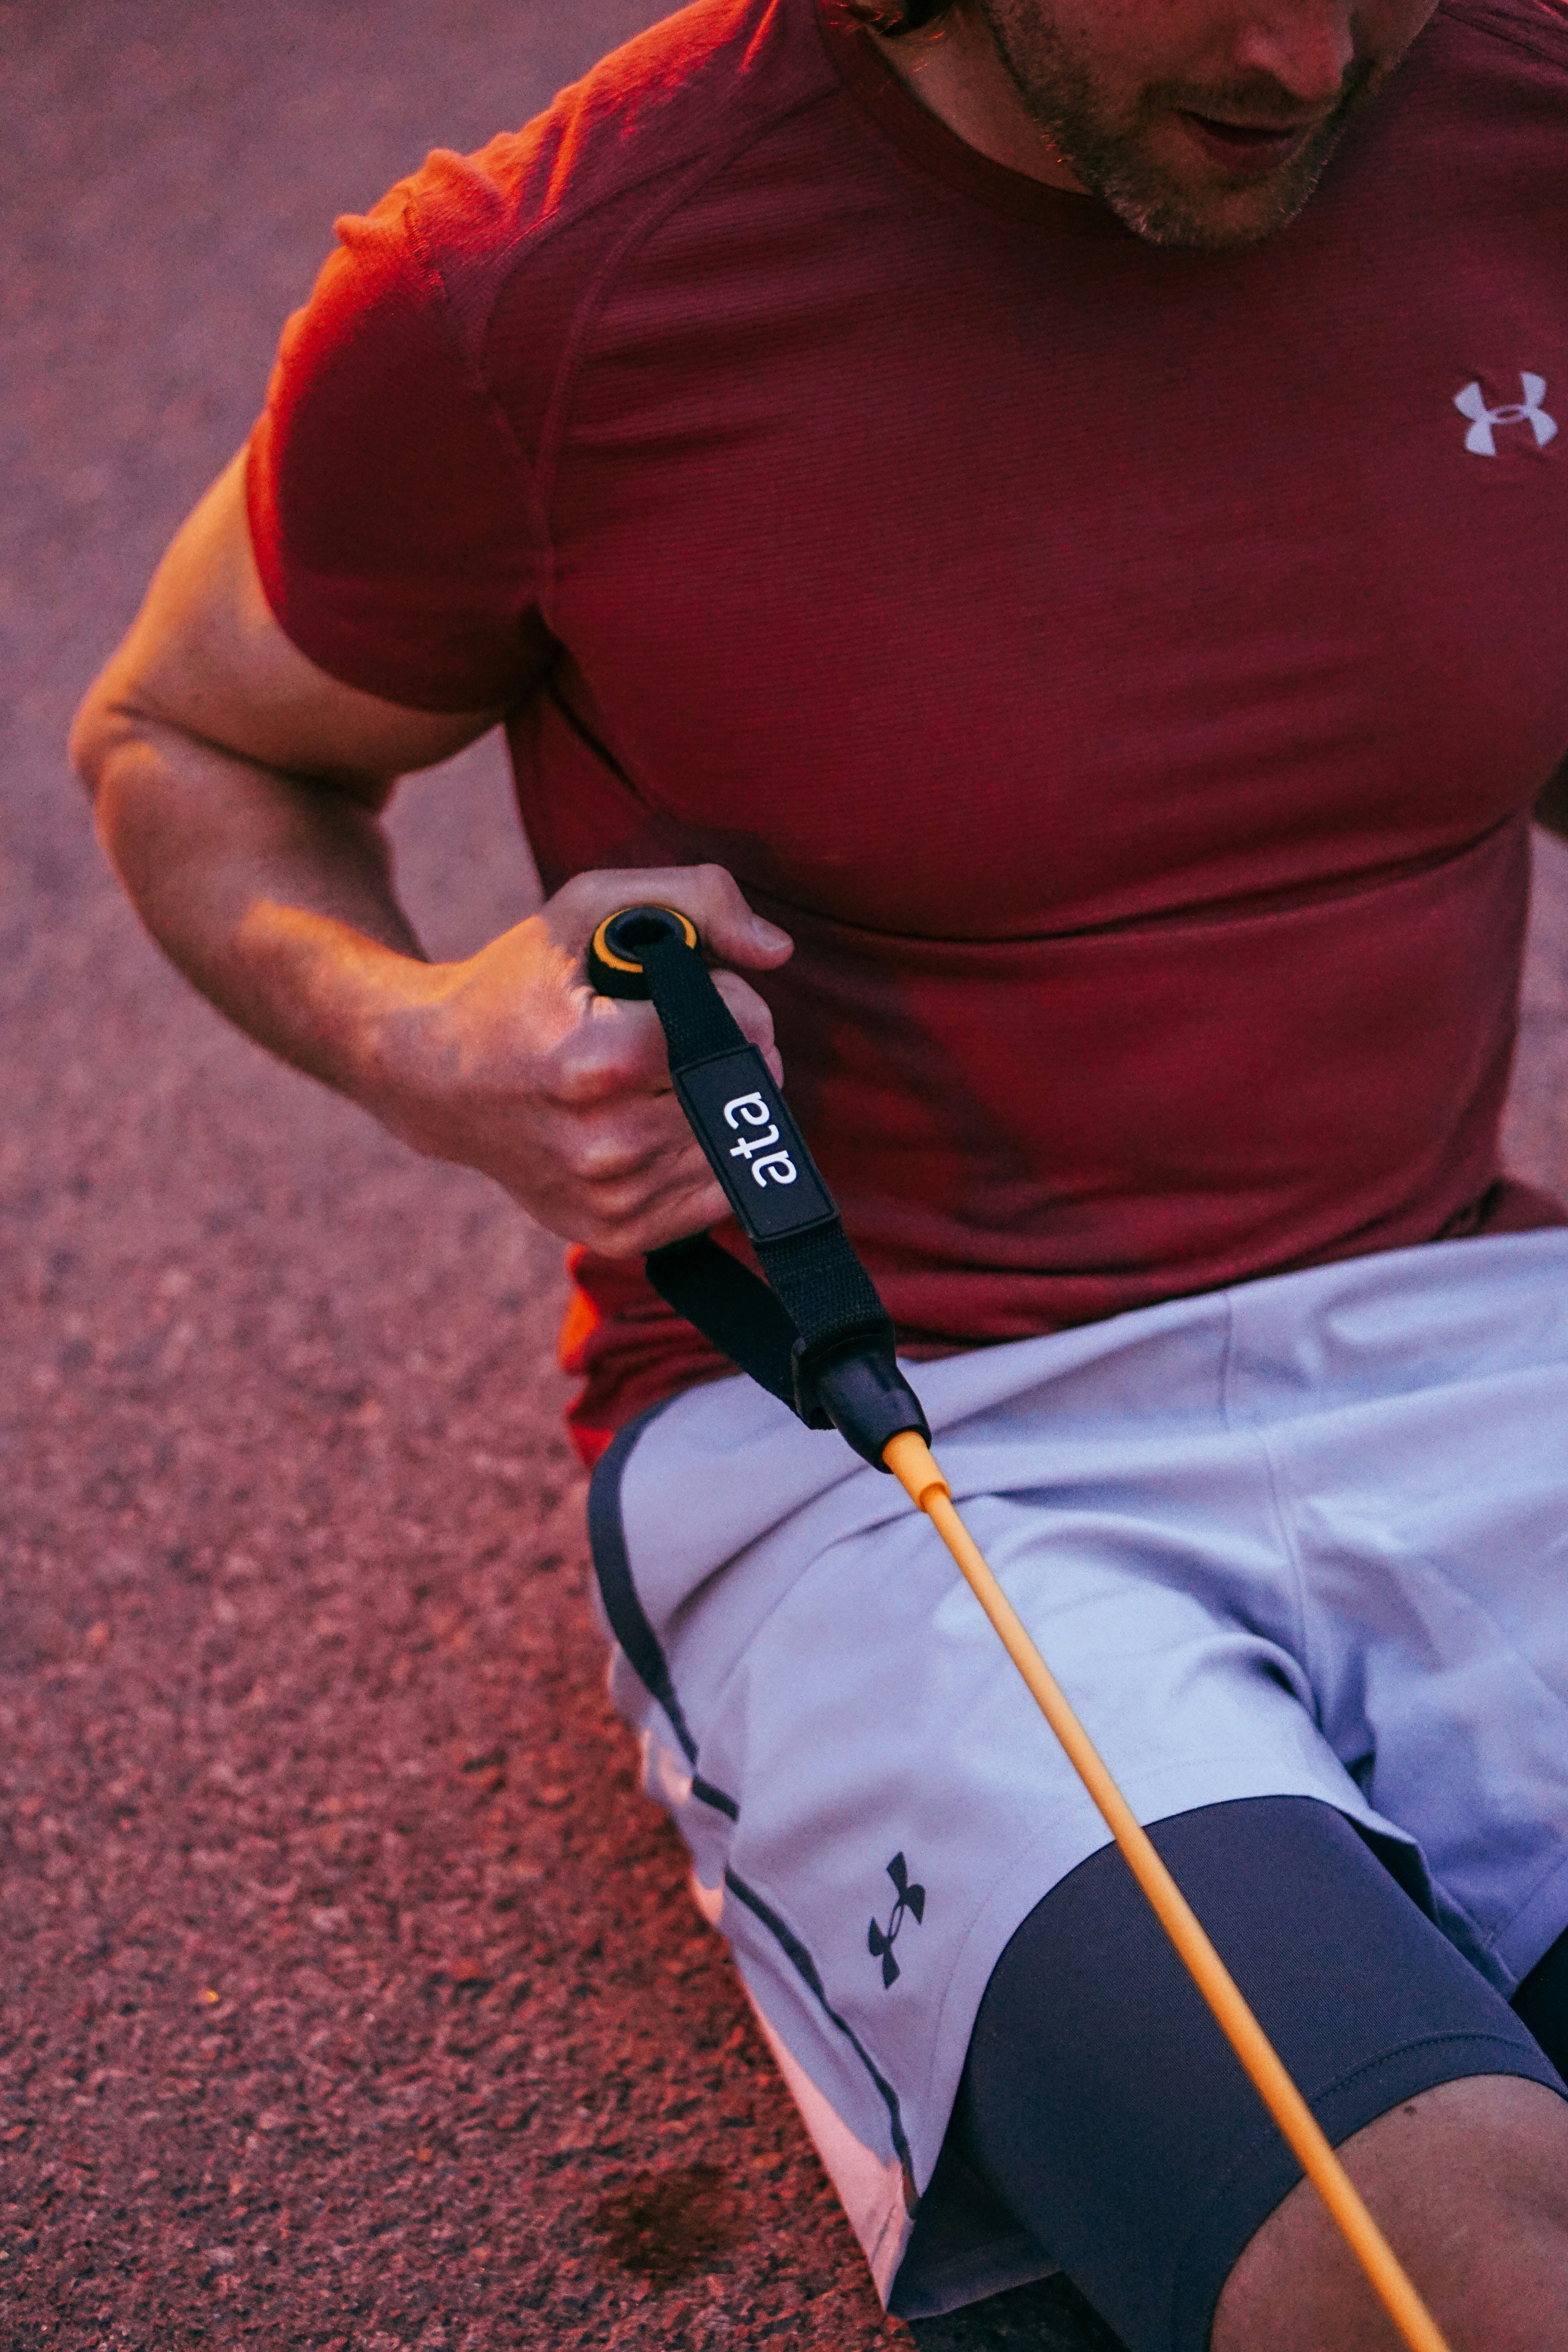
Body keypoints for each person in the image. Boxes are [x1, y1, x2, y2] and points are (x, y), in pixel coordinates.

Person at [69, 0, 1568, 2344]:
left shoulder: (1522, 114)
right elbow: (186, 734)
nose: (1306, 55)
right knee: (1461, 2280)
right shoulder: (530, 291)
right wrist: (425, 1037)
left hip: (1476, 1330)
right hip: (882, 1447)